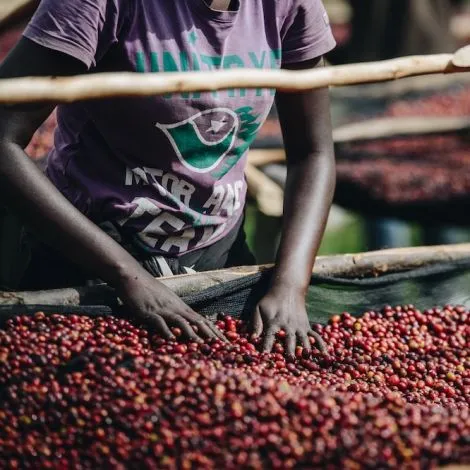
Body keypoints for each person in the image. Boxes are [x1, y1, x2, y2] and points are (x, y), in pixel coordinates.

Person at [0, 0, 336, 355]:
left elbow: (313, 153)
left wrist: (290, 285)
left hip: (218, 260)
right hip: (88, 260)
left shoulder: (287, 6)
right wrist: (127, 275)